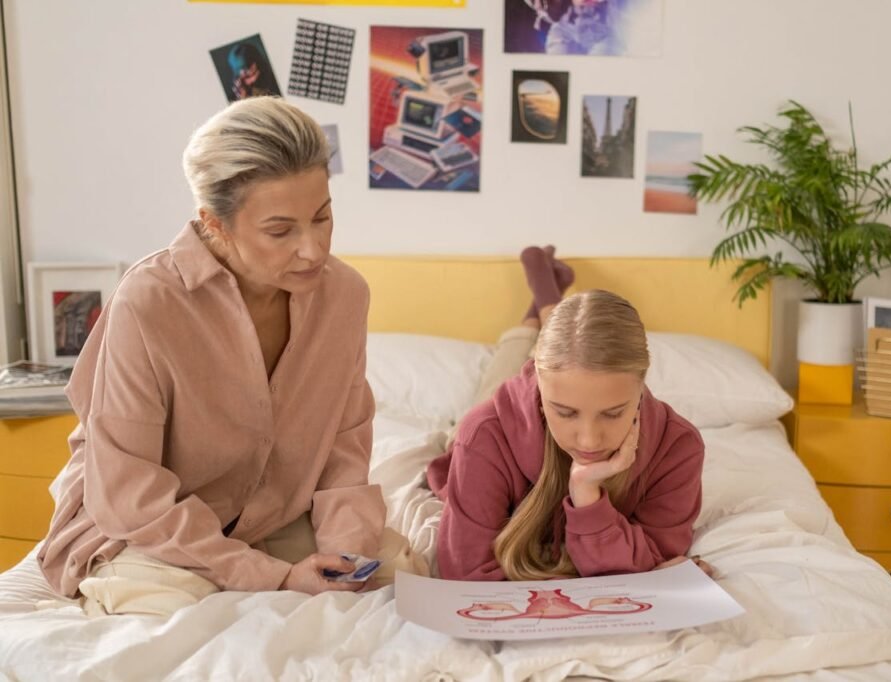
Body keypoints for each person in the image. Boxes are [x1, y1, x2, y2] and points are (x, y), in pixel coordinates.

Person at [37, 97, 423, 617]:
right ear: (214, 224)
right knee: (169, 619)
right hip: (149, 530)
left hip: (274, 520)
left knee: (398, 576)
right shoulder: (150, 303)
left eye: (323, 217)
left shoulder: (345, 296)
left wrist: (344, 554)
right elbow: (129, 494)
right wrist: (269, 576)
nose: (313, 249)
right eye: (281, 230)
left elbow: (344, 450)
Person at [427, 247, 709, 581]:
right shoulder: (483, 435)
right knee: (497, 377)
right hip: (485, 422)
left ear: (641, 389)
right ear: (538, 384)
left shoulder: (678, 446)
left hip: (541, 390)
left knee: (566, 358)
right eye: (565, 412)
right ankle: (543, 292)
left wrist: (587, 495)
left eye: (613, 413)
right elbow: (467, 574)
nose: (589, 440)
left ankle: (544, 296)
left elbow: (660, 555)